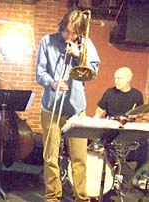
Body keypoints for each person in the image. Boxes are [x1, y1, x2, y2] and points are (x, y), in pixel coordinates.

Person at [36, 10, 100, 201]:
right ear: (61, 26)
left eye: (73, 33)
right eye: (66, 31)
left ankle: (81, 197)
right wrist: (53, 83)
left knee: (79, 158)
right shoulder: (47, 41)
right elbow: (39, 73)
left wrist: (80, 55)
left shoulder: (86, 44)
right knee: (50, 155)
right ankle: (52, 196)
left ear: (79, 33)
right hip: (51, 106)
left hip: (76, 109)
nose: (69, 36)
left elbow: (93, 72)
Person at [94, 67, 147, 178]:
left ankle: (138, 176)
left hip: (128, 132)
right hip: (111, 129)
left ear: (128, 79)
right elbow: (99, 112)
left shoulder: (136, 95)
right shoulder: (109, 92)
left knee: (146, 144)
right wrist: (94, 125)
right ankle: (107, 174)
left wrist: (138, 116)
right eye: (115, 78)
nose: (116, 81)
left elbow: (140, 114)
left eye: (119, 78)